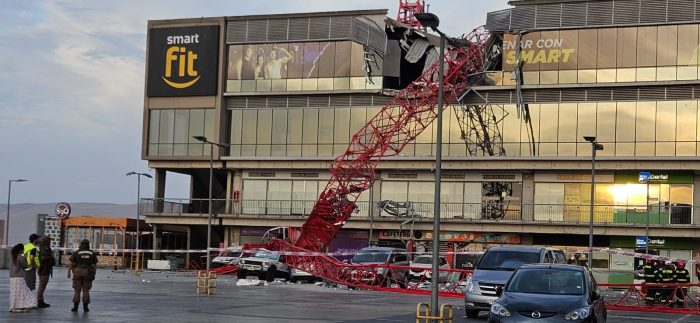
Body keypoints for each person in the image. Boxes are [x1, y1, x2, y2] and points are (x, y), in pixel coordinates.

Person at [68, 239, 98, 312]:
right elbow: (95, 264)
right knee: (86, 290)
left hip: (77, 272)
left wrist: (68, 271)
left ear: (81, 244)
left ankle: (75, 307)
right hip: (88, 272)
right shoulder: (92, 253)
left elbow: (71, 263)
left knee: (77, 290)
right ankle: (85, 307)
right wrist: (94, 273)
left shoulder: (76, 252)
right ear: (88, 244)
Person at [9, 243, 38, 312]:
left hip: (12, 278)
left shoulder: (13, 257)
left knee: (15, 293)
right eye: (23, 249)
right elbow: (25, 266)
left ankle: (14, 306)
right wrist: (29, 261)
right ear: (21, 250)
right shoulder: (20, 257)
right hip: (19, 278)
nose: (24, 250)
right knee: (23, 292)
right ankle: (22, 305)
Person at [37, 235, 56, 308]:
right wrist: (50, 256)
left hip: (45, 269)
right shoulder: (45, 248)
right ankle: (39, 301)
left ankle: (41, 300)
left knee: (43, 285)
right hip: (44, 269)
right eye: (49, 240)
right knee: (42, 285)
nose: (50, 242)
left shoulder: (44, 247)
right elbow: (42, 258)